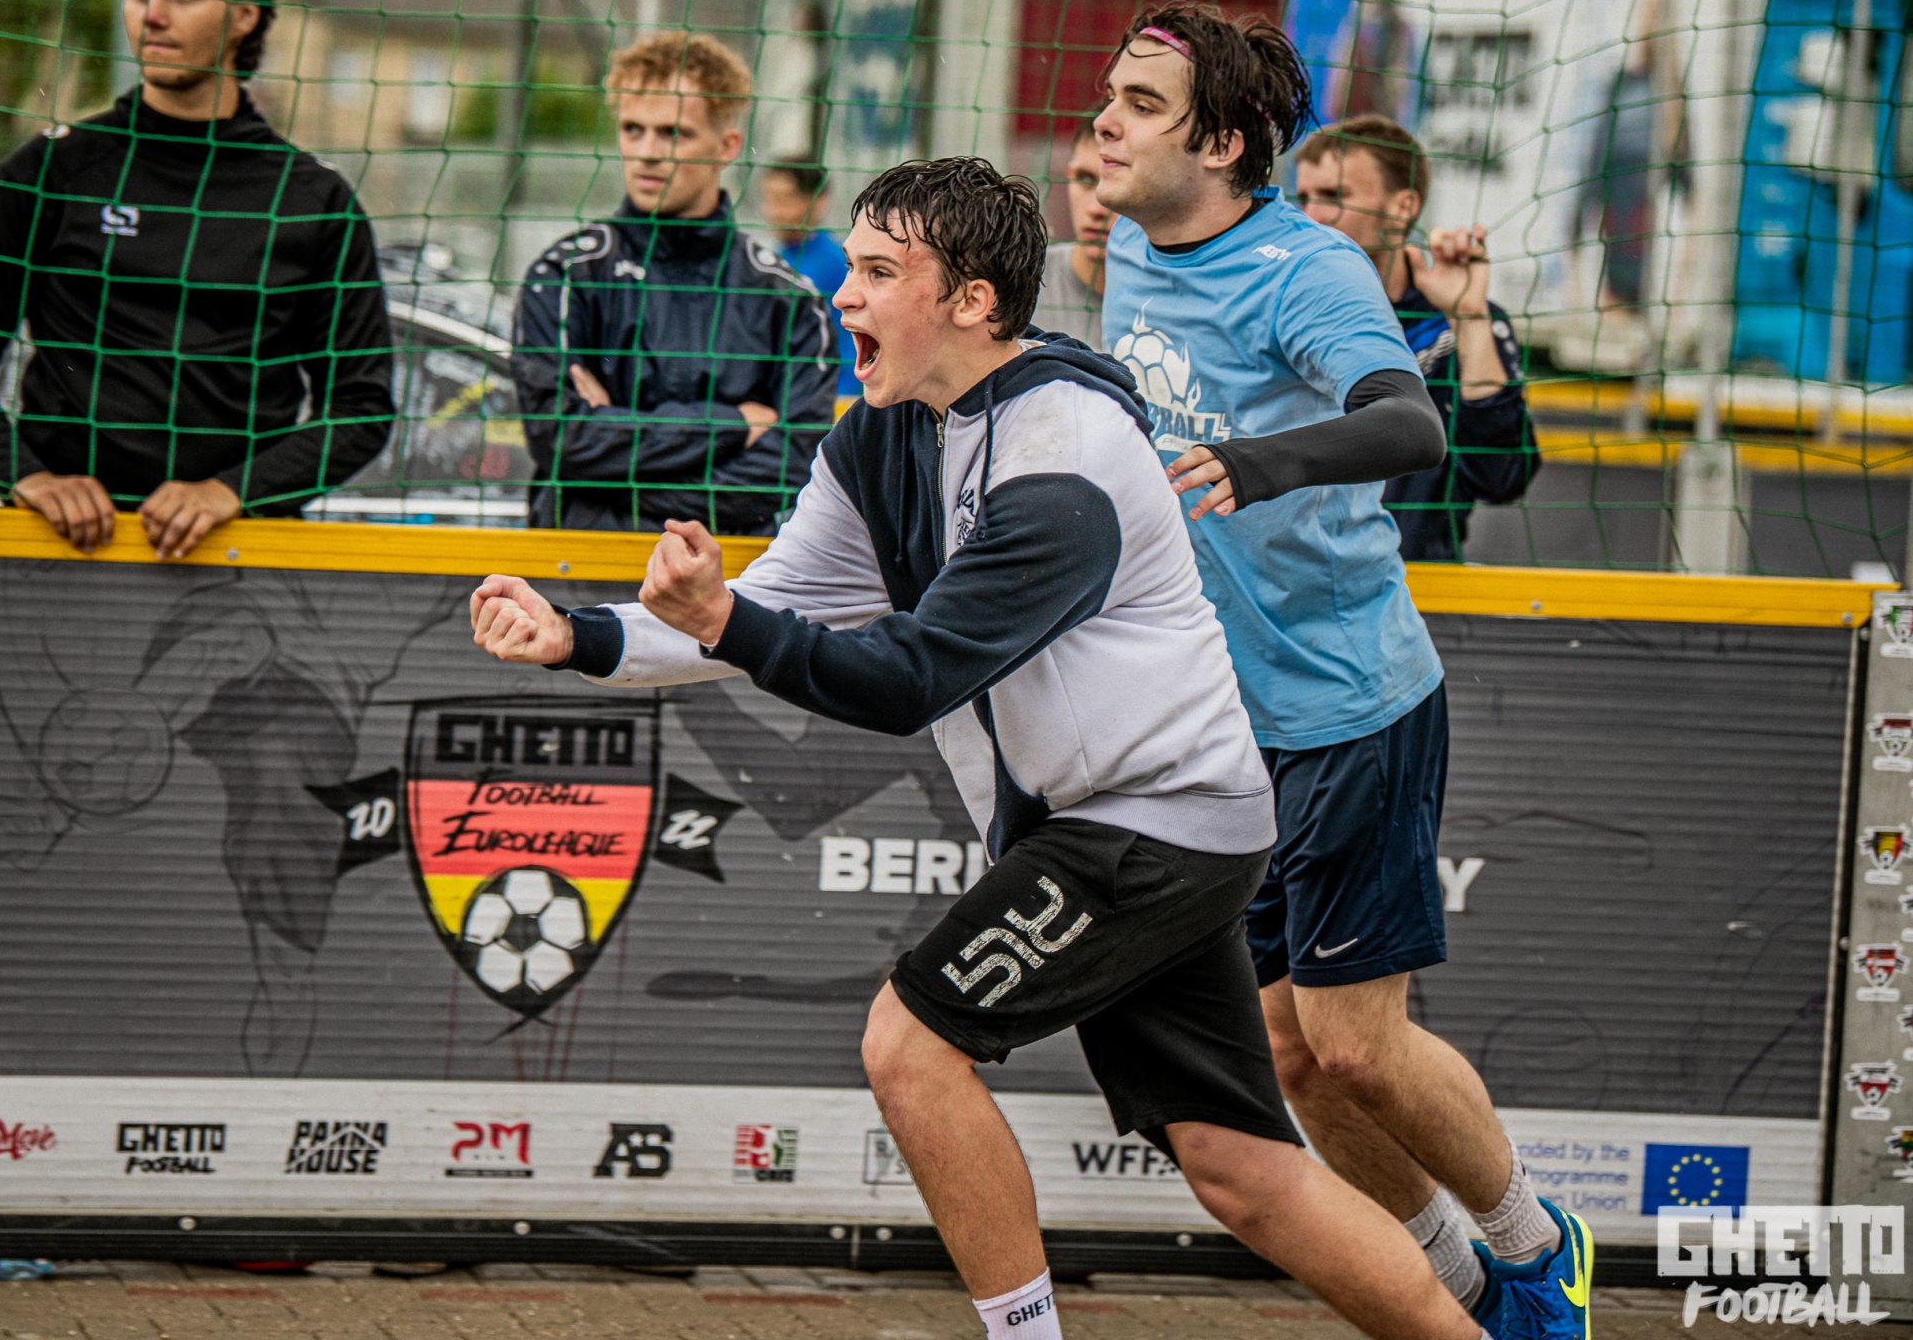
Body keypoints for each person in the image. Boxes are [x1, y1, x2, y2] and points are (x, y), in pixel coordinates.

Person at [472, 156, 1489, 1340]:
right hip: (1156, 824)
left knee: (909, 1047)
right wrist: (578, 636)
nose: (842, 295)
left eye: (877, 271)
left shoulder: (1065, 455)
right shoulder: (882, 435)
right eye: (851, 266)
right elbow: (771, 603)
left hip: (1150, 827)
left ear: (973, 300)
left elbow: (907, 678)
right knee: (1242, 1169)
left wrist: (725, 622)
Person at [1091, 1, 1590, 1340]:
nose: (1106, 123)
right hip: (1221, 718)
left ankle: (1539, 1250)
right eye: (1113, 96)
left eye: (1141, 105)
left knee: (1357, 1044)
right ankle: (1462, 1285)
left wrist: (1254, 466)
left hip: (1348, 705)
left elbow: (1412, 424)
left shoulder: (1308, 271)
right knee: (1289, 1052)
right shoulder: (1132, 244)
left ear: (1224, 143)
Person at [0, 0, 393, 560]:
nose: (152, 14)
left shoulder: (313, 201)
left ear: (245, 16)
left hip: (240, 566)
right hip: (57, 556)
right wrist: (26, 477)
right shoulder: (51, 171)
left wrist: (232, 493)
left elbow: (361, 406)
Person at [514, 32, 834, 534]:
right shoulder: (564, 276)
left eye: (673, 133)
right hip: (580, 566)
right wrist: (731, 425)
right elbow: (559, 440)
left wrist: (606, 467)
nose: (647, 152)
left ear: (727, 146)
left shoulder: (788, 298)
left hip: (727, 572)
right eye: (632, 129)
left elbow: (793, 467)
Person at [1291, 116, 1538, 561]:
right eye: (1304, 197)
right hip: (1289, 578)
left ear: (1403, 207)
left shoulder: (1450, 323)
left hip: (1416, 581)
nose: (1312, 215)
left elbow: (1503, 478)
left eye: (1334, 196)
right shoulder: (1279, 311)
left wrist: (1468, 317)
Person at [760, 156, 858, 395]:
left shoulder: (839, 264)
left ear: (818, 201)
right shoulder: (771, 259)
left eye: (785, 199)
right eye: (769, 198)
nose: (774, 211)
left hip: (833, 396)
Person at [1030, 117, 1111, 349]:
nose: (1096, 209)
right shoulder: (1017, 281)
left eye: (1117, 183)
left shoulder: (1189, 300)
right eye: (1085, 179)